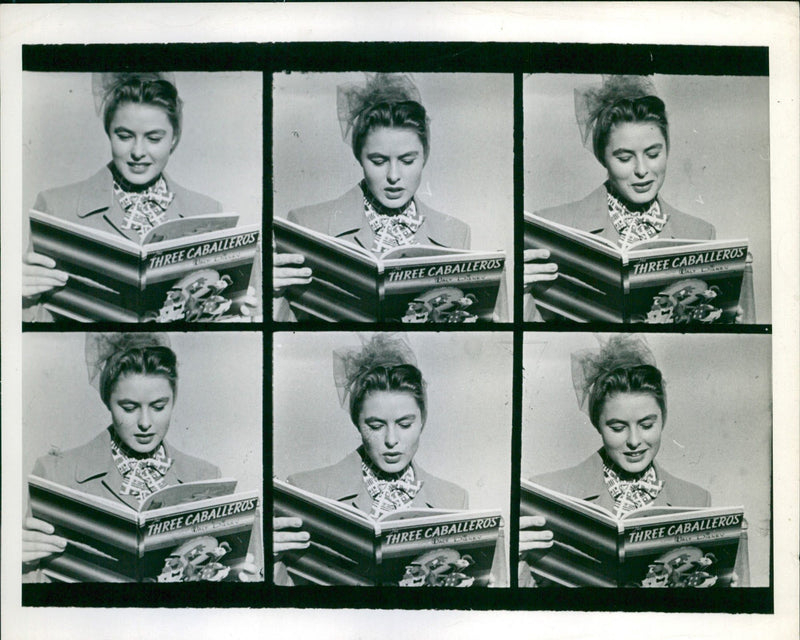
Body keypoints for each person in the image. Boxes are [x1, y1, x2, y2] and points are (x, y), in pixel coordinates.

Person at [22, 332, 262, 582]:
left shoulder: (206, 476)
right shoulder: (54, 474)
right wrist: (16, 564)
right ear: (107, 401)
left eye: (159, 407)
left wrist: (239, 580)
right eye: (129, 407)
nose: (145, 423)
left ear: (173, 400)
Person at [23, 72, 259, 322]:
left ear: (174, 139)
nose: (137, 151)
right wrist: (22, 299)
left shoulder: (209, 211)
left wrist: (241, 314)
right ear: (109, 133)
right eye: (124, 136)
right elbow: (34, 318)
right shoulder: (55, 206)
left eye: (154, 138)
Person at [274, 333, 506, 586]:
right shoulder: (305, 489)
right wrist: (271, 558)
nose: (391, 440)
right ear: (358, 424)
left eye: (405, 424)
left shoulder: (453, 499)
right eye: (375, 426)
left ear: (422, 421)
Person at [518, 334, 749, 587]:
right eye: (618, 428)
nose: (634, 440)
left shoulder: (695, 500)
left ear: (663, 419)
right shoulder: (547, 492)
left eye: (647, 425)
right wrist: (516, 560)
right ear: (598, 425)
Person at [273, 73, 506, 322]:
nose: (394, 176)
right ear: (359, 158)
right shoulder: (307, 224)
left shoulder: (456, 234)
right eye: (378, 160)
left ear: (424, 156)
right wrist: (273, 294)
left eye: (407, 160)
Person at [523, 75, 755, 323]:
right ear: (603, 158)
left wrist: (729, 321)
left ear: (667, 148)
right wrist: (523, 292)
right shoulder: (551, 227)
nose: (642, 170)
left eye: (654, 154)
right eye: (624, 158)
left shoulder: (701, 233)